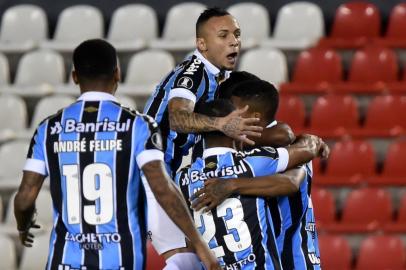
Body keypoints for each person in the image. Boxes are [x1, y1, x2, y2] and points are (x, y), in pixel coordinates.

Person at [14, 39, 220, 270]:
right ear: (117, 74)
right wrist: (200, 244)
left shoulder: (48, 128)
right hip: (119, 261)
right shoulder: (137, 125)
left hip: (64, 262)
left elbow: (24, 199)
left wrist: (23, 225)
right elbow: (162, 189)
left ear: (74, 77)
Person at [142, 7, 264, 268]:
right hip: (149, 175)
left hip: (165, 176)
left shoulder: (220, 76)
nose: (234, 41)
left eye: (237, 34)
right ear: (202, 44)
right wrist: (222, 124)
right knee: (187, 261)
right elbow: (177, 117)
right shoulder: (193, 72)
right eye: (223, 35)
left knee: (193, 258)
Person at [175, 99, 327, 269]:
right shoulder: (252, 163)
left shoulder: (181, 179)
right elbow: (303, 156)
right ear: (234, 126)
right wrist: (312, 141)